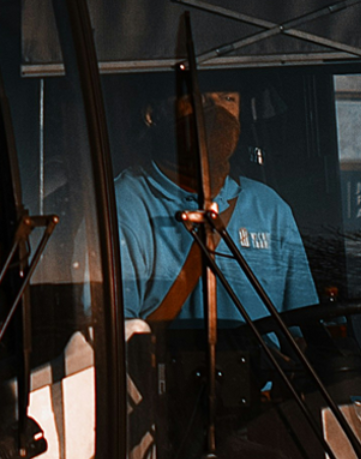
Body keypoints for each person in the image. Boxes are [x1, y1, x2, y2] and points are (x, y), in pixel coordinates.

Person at [114, 89, 316, 327]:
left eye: (228, 98)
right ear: (152, 115)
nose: (216, 112)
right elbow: (116, 334)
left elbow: (304, 327)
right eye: (197, 98)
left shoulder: (269, 207)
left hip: (264, 354)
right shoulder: (121, 206)